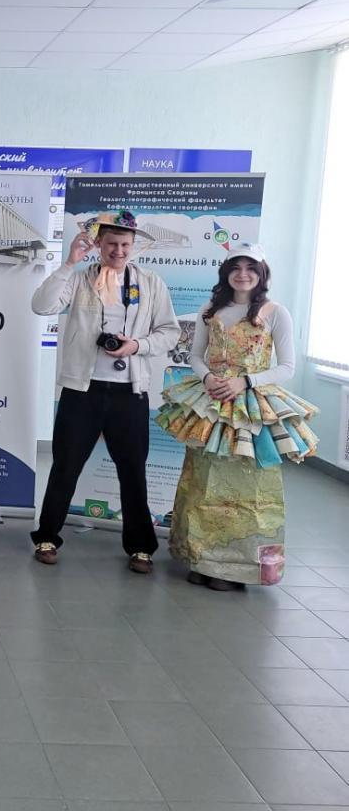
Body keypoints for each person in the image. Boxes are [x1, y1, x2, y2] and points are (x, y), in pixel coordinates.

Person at [160, 244, 319, 590]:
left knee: (248, 484)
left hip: (251, 407)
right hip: (212, 402)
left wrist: (245, 382)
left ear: (261, 274)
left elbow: (287, 367)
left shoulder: (276, 312)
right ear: (226, 272)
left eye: (250, 268)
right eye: (236, 267)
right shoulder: (210, 309)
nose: (242, 274)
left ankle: (238, 569)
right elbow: (195, 355)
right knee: (201, 479)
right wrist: (207, 379)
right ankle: (201, 559)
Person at [31, 210, 180, 573]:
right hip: (82, 390)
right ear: (98, 244)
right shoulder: (80, 279)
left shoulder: (150, 283)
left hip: (130, 392)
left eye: (125, 245)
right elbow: (41, 305)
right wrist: (69, 263)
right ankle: (47, 537)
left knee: (133, 471)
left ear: (134, 245)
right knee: (66, 466)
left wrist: (137, 346)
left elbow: (170, 332)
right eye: (111, 244)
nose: (119, 251)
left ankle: (141, 547)